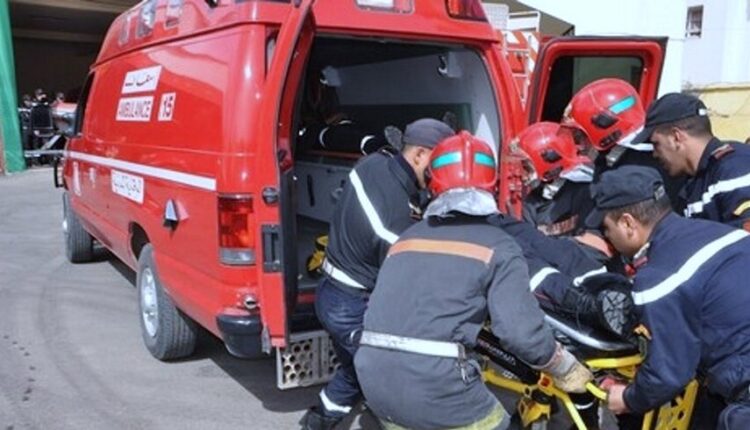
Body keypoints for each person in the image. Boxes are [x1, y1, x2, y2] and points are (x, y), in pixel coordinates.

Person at [354, 132, 593, 430]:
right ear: (491, 184)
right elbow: (520, 334)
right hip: (436, 386)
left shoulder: (406, 239)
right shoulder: (499, 245)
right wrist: (564, 366)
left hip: (373, 379)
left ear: (433, 182)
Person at [302, 118, 455, 430]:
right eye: (439, 164)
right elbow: (413, 265)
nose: (442, 174)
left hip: (338, 293)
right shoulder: (393, 211)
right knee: (391, 376)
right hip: (349, 305)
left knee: (355, 371)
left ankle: (318, 421)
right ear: (419, 155)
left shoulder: (376, 163)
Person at [585, 165, 750, 429]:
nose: (607, 238)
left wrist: (627, 398)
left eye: (606, 228)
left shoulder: (658, 277)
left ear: (627, 223)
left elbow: (668, 373)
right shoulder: (722, 233)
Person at [562, 78, 685, 211]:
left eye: (580, 137)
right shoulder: (611, 161)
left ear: (604, 124)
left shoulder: (642, 163)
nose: (579, 147)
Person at [632, 92, 750, 230]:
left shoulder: (734, 167)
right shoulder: (693, 181)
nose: (654, 154)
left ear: (676, 137)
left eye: (656, 144)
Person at [517, 121, 595, 237]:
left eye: (527, 168)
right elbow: (528, 242)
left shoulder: (590, 190)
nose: (523, 176)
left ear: (550, 162)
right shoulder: (532, 203)